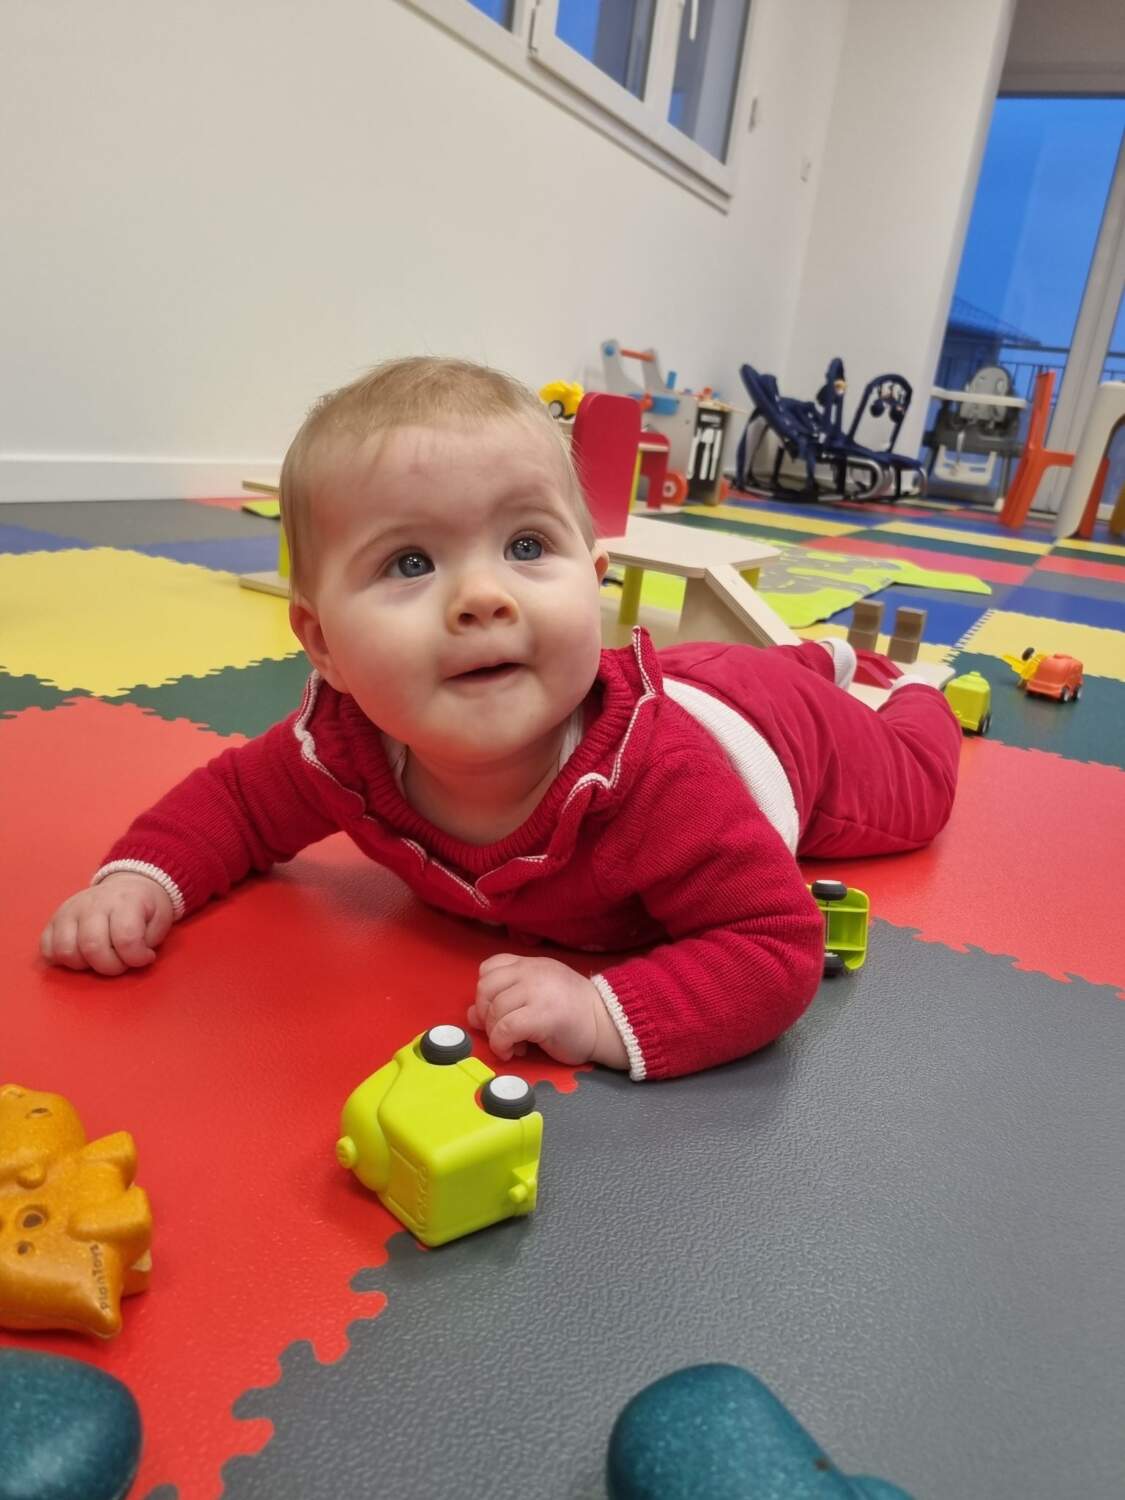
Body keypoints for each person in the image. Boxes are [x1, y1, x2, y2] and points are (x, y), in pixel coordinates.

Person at [40, 357, 961, 1081]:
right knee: (733, 665)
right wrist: (143, 881)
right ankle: (819, 655)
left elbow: (774, 944)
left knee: (913, 788)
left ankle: (895, 682)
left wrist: (602, 1013)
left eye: (527, 546)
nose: (483, 597)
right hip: (685, 681)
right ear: (322, 645)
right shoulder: (342, 750)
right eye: (408, 563)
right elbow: (236, 805)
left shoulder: (664, 785)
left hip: (774, 737)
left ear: (593, 582)